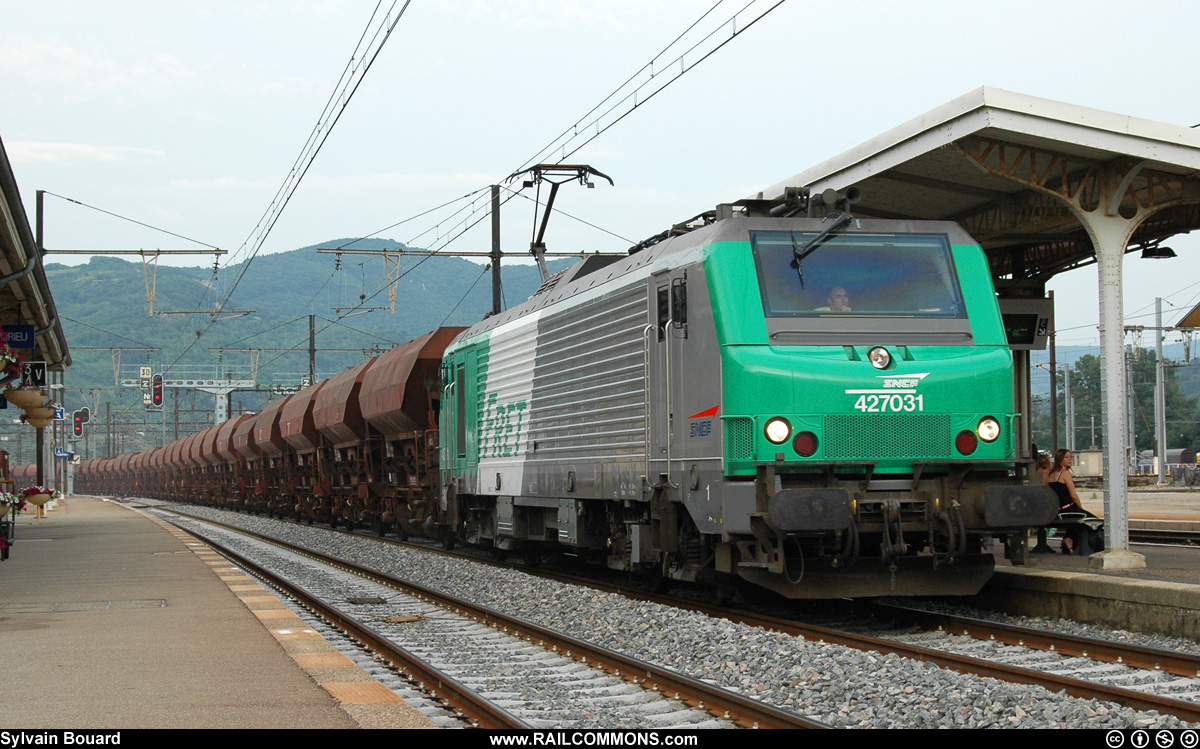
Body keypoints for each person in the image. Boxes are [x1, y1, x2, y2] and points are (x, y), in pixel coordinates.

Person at [1046, 448, 1102, 554]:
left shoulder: (1052, 474)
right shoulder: (1065, 473)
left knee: (1077, 521)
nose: (1070, 459)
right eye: (1066, 457)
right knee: (1094, 521)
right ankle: (1071, 541)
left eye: (1070, 457)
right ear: (1060, 459)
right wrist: (1080, 508)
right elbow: (1074, 495)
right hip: (1069, 508)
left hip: (1058, 510)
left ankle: (1068, 539)